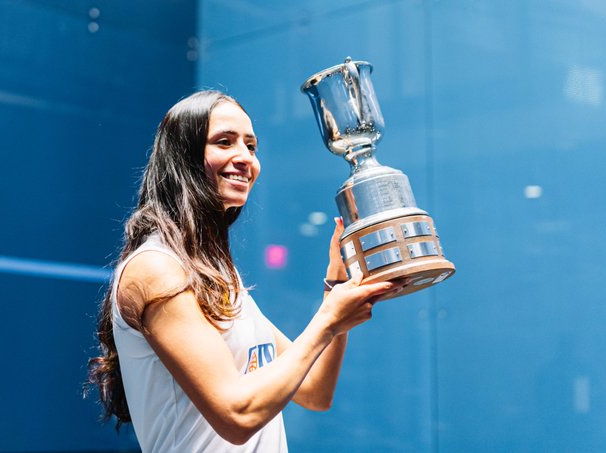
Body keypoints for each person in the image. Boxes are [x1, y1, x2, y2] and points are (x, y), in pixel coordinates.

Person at [87, 90, 398, 452]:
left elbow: (315, 390)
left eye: (251, 146)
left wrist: (337, 286)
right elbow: (237, 416)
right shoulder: (156, 268)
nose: (245, 158)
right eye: (224, 142)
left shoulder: (216, 275)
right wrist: (328, 319)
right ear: (183, 157)